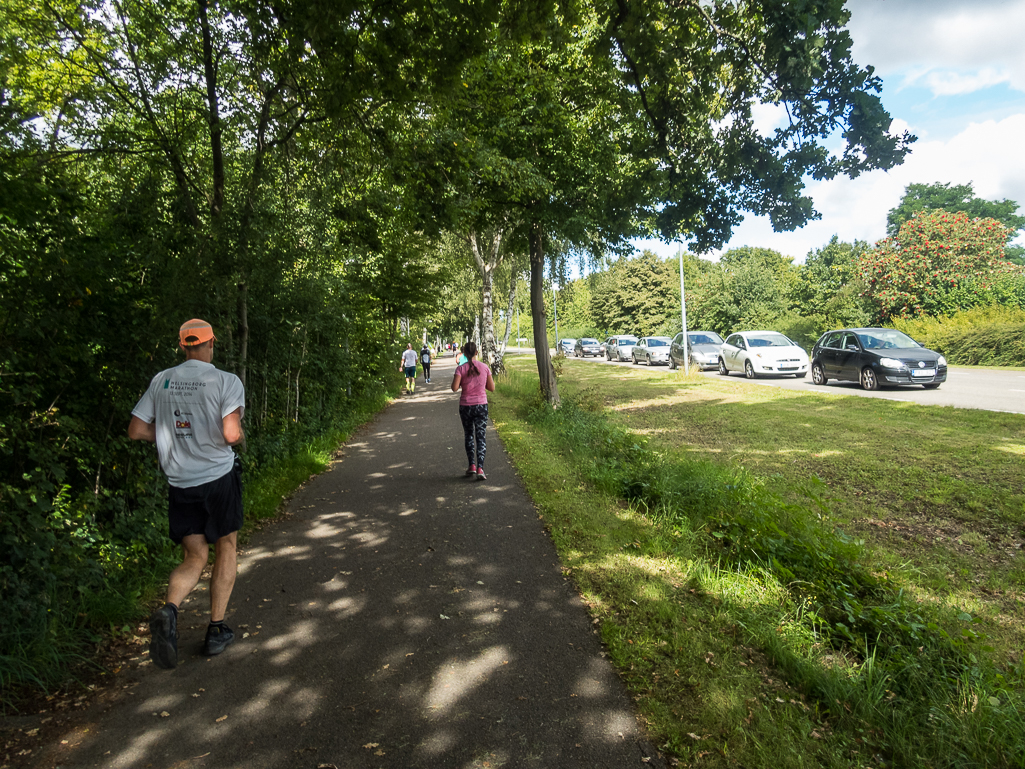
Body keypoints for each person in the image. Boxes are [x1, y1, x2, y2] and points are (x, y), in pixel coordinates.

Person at [128, 319, 245, 669]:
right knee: (226, 545)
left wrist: (168, 437)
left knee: (195, 557)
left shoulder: (161, 380)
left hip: (180, 482)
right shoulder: (225, 381)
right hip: (218, 479)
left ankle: (170, 610)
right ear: (211, 344)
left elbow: (136, 429)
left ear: (183, 346)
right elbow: (230, 435)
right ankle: (216, 629)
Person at [451, 341, 495, 480]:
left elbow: (454, 388)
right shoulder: (484, 367)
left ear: (464, 353)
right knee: (481, 436)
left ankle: (472, 466)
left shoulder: (460, 369)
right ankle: (481, 468)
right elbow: (492, 388)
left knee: (469, 435)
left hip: (466, 407)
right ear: (477, 352)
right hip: (481, 405)